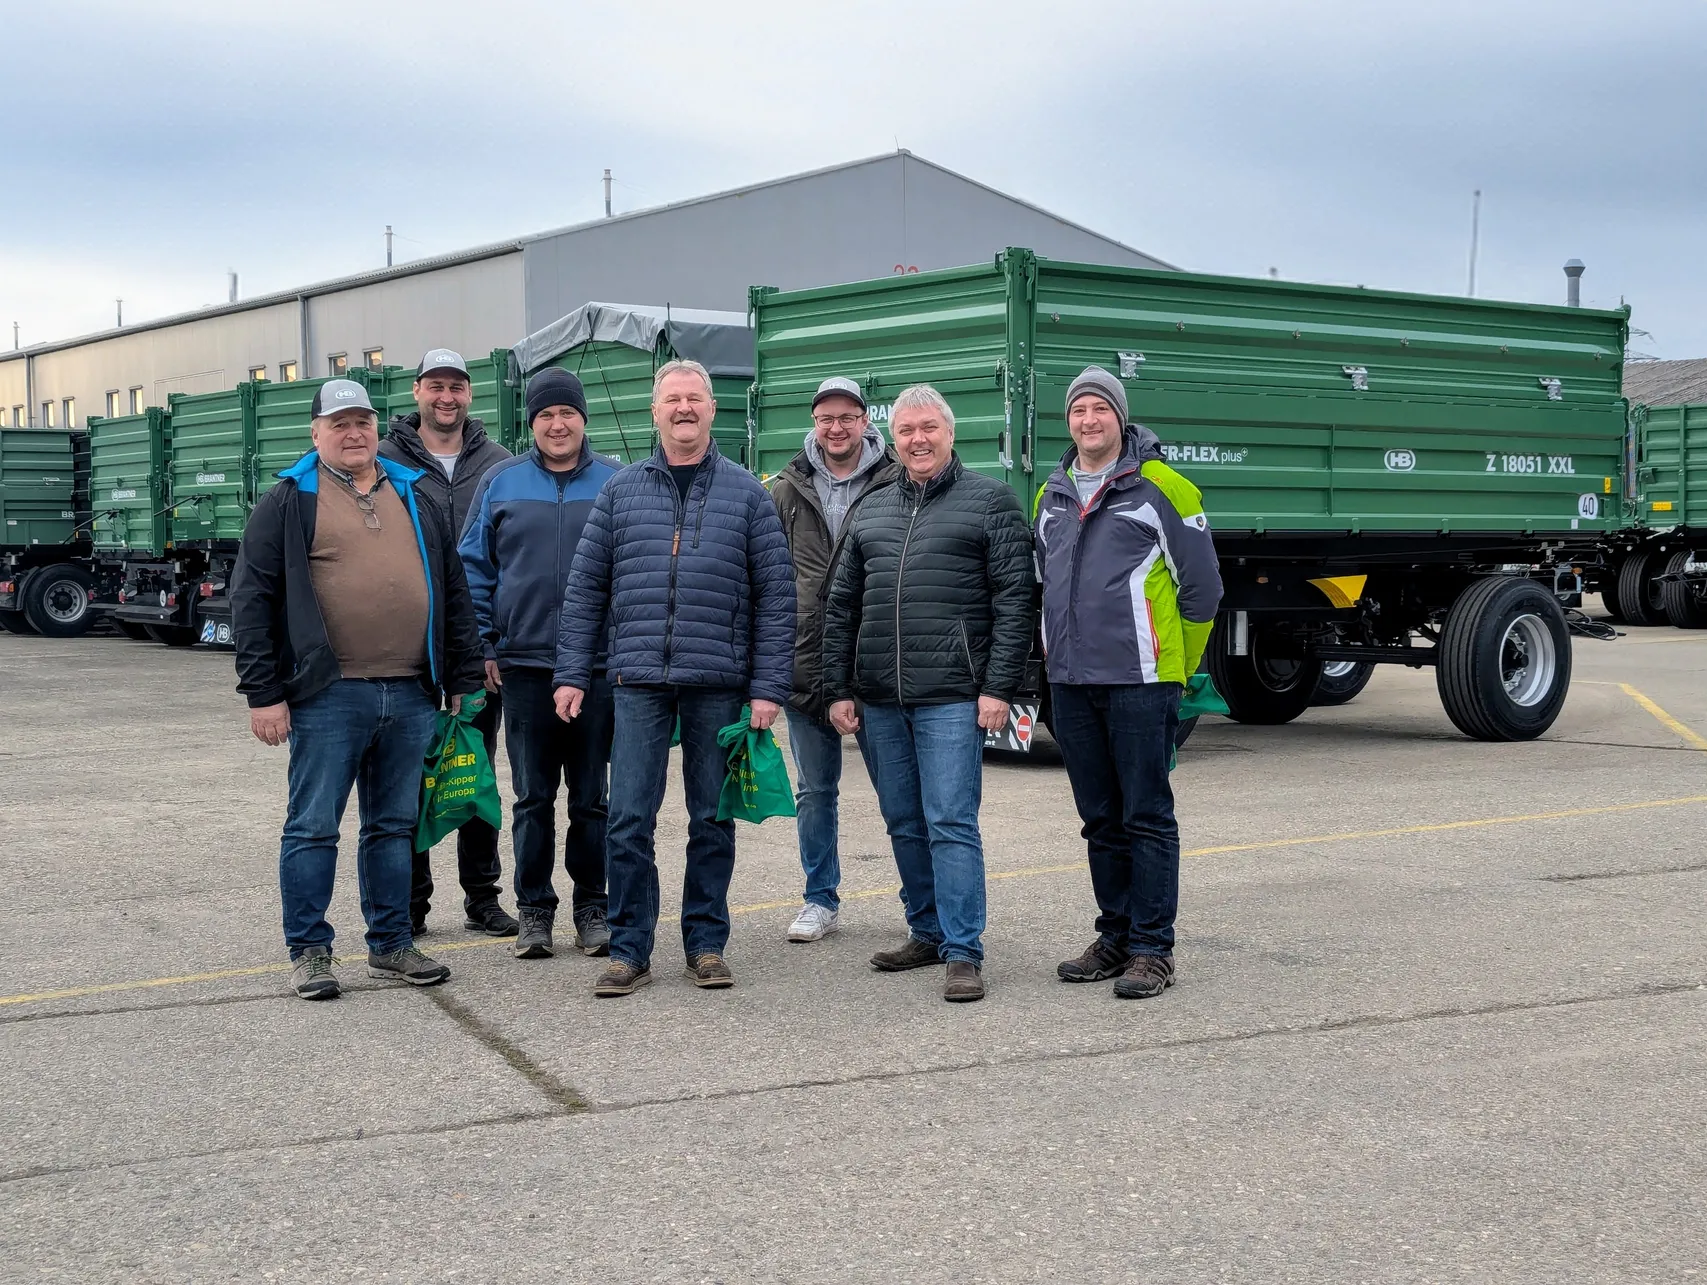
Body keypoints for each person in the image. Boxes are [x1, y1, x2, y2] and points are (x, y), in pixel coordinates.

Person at [230, 378, 485, 1001]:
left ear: (377, 427)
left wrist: (463, 677)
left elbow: (452, 589)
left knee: (393, 827)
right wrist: (263, 692)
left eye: (362, 422)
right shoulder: (289, 501)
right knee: (313, 826)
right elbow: (251, 600)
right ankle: (311, 952)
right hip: (328, 695)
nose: (353, 434)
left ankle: (391, 943)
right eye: (339, 424)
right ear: (316, 433)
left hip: (410, 693)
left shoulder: (411, 494)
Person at [554, 359, 795, 998]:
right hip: (637, 681)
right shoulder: (620, 490)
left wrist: (769, 688)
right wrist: (572, 672)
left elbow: (776, 597)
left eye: (694, 398)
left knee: (710, 819)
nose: (683, 409)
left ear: (712, 409)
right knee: (629, 816)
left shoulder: (748, 494)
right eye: (672, 400)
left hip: (719, 680)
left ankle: (706, 943)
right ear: (654, 411)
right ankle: (630, 948)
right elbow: (586, 590)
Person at [822, 384, 1035, 1003]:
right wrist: (839, 687)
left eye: (928, 429)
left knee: (950, 821)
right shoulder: (873, 506)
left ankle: (964, 951)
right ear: (892, 437)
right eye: (907, 430)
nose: (917, 440)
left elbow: (1016, 602)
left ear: (950, 433)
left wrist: (999, 687)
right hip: (881, 697)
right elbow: (842, 605)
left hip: (952, 696)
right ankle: (927, 930)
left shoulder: (991, 503)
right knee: (905, 821)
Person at [1034, 366, 1223, 1000]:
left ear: (1120, 417)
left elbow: (1203, 591)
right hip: (1071, 682)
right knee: (1099, 818)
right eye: (1078, 411)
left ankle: (1152, 947)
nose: (1088, 421)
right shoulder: (1051, 494)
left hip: (1142, 680)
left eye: (1099, 410)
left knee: (1145, 814)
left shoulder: (1164, 489)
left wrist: (1180, 666)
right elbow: (1046, 587)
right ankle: (1114, 934)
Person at [459, 368, 621, 961]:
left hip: (600, 667)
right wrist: (484, 642)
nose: (558, 424)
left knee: (592, 798)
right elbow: (473, 568)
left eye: (568, 414)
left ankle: (593, 907)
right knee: (531, 797)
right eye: (546, 415)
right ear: (532, 424)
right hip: (522, 666)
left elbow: (637, 571)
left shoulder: (616, 482)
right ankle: (534, 910)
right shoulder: (501, 483)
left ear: (583, 419)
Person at [378, 348, 517, 938]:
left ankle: (482, 896)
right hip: (408, 648)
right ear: (416, 392)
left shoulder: (499, 464)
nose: (446, 397)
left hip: (477, 649)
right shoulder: (382, 461)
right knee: (406, 776)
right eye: (435, 385)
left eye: (457, 386)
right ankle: (410, 902)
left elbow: (510, 560)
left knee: (475, 773)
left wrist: (493, 644)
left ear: (469, 394)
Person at [767, 376, 900, 943]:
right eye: (827, 418)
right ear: (814, 423)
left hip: (876, 662)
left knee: (900, 793)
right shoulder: (784, 488)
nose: (837, 427)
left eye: (848, 416)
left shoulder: (895, 480)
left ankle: (921, 901)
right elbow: (767, 579)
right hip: (806, 662)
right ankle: (819, 899)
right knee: (815, 792)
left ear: (866, 421)